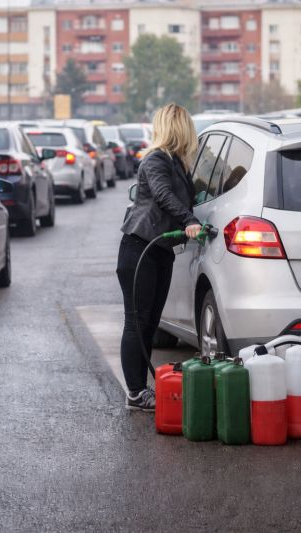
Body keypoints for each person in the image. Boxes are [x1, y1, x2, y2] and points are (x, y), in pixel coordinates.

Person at [117, 103, 202, 411]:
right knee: (137, 323)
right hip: (139, 250)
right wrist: (189, 221)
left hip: (160, 252)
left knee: (150, 324)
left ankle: (140, 390)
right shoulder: (156, 159)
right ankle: (136, 393)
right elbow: (163, 195)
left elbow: (181, 196)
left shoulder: (177, 163)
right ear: (180, 129)